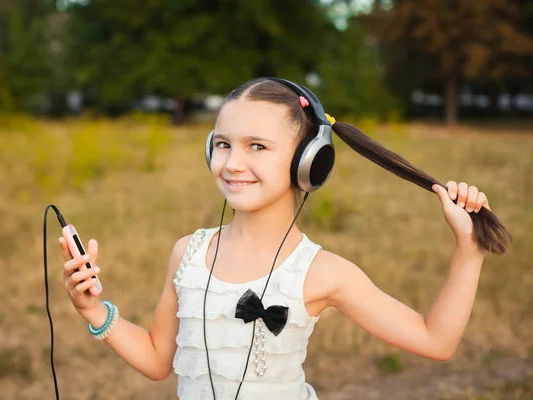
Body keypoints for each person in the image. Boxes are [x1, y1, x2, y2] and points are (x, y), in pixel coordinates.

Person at [58, 77, 510, 399]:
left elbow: (436, 341)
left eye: (257, 146)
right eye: (222, 144)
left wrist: (468, 252)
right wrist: (94, 310)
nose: (233, 163)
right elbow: (159, 360)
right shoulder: (189, 253)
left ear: (308, 163)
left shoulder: (321, 272)